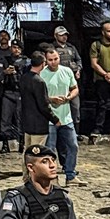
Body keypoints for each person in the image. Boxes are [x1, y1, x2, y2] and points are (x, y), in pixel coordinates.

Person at [40, 48, 79, 185]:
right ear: (46, 60)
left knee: (73, 146)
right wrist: (51, 99)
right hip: (50, 118)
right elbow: (39, 96)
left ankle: (70, 175)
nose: (53, 62)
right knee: (50, 150)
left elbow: (75, 88)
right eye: (50, 60)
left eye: (55, 59)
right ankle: (52, 178)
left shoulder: (67, 71)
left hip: (66, 117)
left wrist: (69, 97)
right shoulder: (42, 74)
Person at [19, 51, 61, 170]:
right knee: (36, 153)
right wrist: (55, 119)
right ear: (42, 64)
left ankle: (26, 176)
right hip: (38, 124)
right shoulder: (39, 81)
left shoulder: (24, 78)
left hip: (27, 121)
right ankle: (34, 178)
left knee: (27, 152)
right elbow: (43, 105)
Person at [89, 20, 110, 135]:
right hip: (101, 80)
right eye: (109, 31)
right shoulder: (96, 45)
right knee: (101, 104)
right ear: (103, 32)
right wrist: (106, 74)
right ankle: (99, 128)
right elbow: (94, 63)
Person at [0, 40, 28, 153]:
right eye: (14, 47)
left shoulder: (26, 61)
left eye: (18, 48)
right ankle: (5, 144)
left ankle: (21, 143)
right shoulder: (5, 60)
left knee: (20, 118)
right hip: (8, 92)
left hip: (20, 92)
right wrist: (5, 72)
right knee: (5, 119)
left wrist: (18, 73)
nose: (16, 50)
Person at [52, 25, 82, 134]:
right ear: (56, 36)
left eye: (65, 35)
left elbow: (79, 60)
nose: (64, 37)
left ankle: (76, 132)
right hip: (58, 83)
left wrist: (78, 69)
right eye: (61, 35)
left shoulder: (71, 48)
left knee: (75, 107)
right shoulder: (52, 49)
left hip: (72, 83)